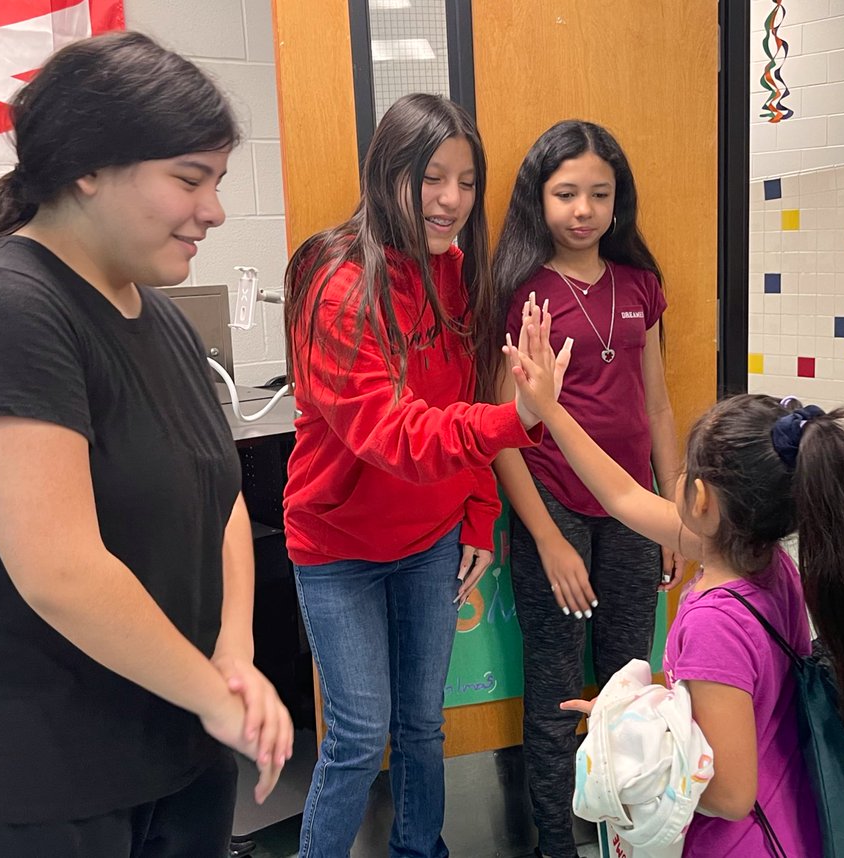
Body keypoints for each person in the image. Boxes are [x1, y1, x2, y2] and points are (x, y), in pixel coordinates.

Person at [0, 32, 293, 858]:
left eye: (220, 182)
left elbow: (220, 497)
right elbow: (61, 571)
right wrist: (215, 695)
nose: (215, 210)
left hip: (166, 766)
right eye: (189, 180)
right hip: (9, 785)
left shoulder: (158, 316)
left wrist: (233, 654)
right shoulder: (3, 310)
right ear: (89, 169)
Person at [508, 298, 844, 857]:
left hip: (740, 842)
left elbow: (732, 793)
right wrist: (549, 408)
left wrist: (631, 743)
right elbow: (621, 496)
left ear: (703, 500)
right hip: (794, 816)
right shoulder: (760, 558)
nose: (678, 476)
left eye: (687, 469)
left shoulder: (715, 620)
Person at [282, 93, 552, 858]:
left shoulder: (458, 273)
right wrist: (520, 421)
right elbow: (389, 432)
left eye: (467, 181)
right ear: (387, 174)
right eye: (432, 177)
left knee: (424, 723)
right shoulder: (336, 282)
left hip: (430, 539)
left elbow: (461, 393)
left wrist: (476, 516)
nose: (452, 200)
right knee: (360, 737)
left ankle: (419, 850)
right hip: (338, 550)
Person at [487, 120, 681, 858]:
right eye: (566, 193)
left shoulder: (641, 287)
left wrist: (672, 514)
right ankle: (555, 846)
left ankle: (627, 838)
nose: (583, 209)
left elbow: (659, 405)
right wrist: (543, 538)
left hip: (634, 513)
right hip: (556, 511)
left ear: (617, 202)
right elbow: (504, 430)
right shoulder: (522, 292)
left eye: (600, 194)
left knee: (631, 688)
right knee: (556, 692)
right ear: (539, 199)